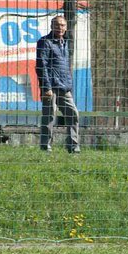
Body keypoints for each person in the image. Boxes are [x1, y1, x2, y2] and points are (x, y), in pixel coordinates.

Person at [36, 15, 80, 153]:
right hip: (51, 87)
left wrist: (68, 84)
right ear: (51, 26)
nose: (59, 28)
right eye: (57, 25)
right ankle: (45, 147)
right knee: (49, 117)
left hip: (64, 87)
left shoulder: (65, 42)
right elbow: (41, 65)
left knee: (73, 114)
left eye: (62, 25)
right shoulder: (45, 42)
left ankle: (73, 147)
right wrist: (46, 87)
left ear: (66, 27)